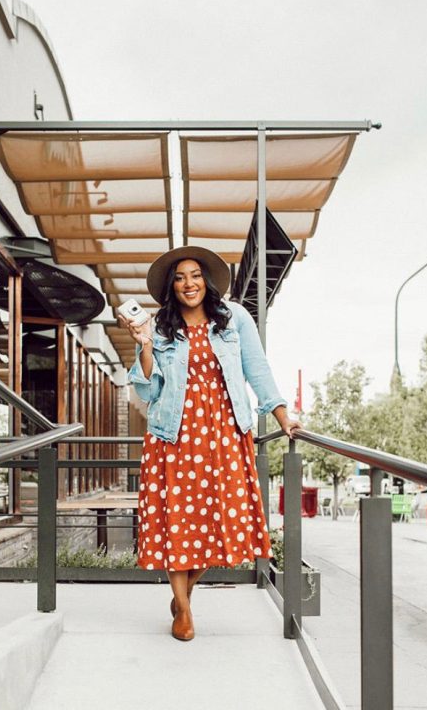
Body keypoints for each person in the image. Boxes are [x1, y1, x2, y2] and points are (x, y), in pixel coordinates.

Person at [119, 246, 301, 642]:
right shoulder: (161, 326)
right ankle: (182, 608)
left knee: (224, 519)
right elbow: (147, 389)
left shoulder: (234, 319)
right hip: (173, 435)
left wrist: (282, 414)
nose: (189, 283)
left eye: (196, 275)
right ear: (172, 285)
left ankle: (185, 589)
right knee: (177, 521)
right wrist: (145, 343)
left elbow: (257, 367)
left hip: (225, 434)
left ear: (208, 280)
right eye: (181, 277)